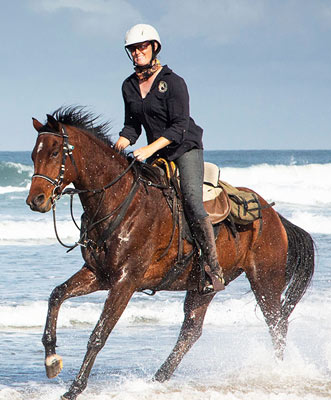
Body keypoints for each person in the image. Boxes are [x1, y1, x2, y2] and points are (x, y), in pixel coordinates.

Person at [113, 23, 224, 292]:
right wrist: (117, 146)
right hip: (156, 152)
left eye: (141, 47)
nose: (137, 52)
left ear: (154, 48)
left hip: (184, 148)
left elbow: (179, 127)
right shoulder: (129, 86)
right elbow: (132, 127)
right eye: (133, 49)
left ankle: (213, 269)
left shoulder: (173, 82)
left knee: (192, 202)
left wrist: (149, 150)